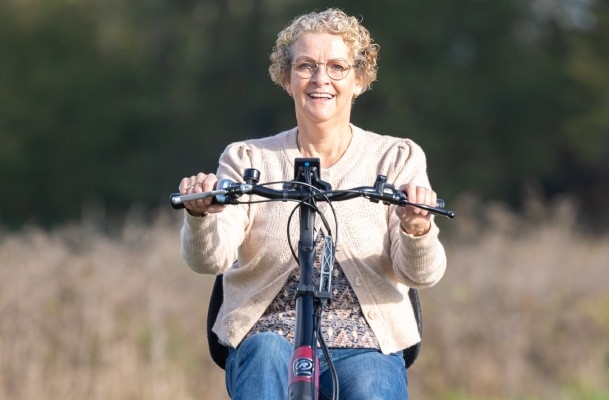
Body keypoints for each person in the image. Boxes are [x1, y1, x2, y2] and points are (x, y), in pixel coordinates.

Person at [177, 8, 446, 400]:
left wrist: (417, 227)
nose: (321, 79)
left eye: (337, 67)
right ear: (287, 79)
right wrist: (200, 217)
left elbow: (422, 275)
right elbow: (209, 261)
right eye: (306, 66)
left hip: (366, 339)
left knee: (372, 383)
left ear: (359, 80)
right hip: (268, 332)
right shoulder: (248, 159)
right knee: (266, 355)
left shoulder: (396, 158)